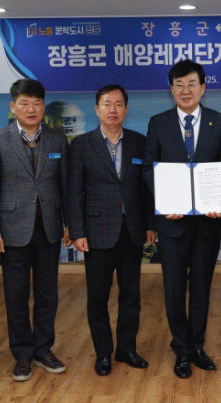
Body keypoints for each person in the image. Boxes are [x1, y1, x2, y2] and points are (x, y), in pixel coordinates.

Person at [143, 59, 221, 379]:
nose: (185, 90)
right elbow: (148, 169)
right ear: (171, 89)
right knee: (174, 288)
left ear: (203, 87)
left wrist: (219, 201)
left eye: (192, 83)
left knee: (202, 287)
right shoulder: (158, 123)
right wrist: (165, 202)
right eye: (179, 84)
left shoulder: (219, 121)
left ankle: (197, 346)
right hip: (172, 223)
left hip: (207, 223)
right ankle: (181, 348)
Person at [0, 79, 70, 382]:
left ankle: (43, 349)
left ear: (43, 106)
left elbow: (65, 186)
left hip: (49, 230)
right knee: (16, 296)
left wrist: (69, 224)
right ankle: (22, 353)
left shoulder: (57, 139)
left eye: (36, 103)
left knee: (48, 295)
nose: (31, 109)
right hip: (11, 232)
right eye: (24, 103)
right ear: (13, 106)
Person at [67, 84, 156, 376]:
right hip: (96, 233)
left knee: (131, 295)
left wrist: (150, 225)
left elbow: (146, 189)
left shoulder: (139, 142)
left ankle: (126, 349)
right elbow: (74, 191)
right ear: (97, 110)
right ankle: (103, 352)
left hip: (132, 231)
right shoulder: (81, 145)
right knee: (98, 297)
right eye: (107, 104)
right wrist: (77, 231)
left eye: (118, 104)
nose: (113, 110)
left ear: (126, 110)